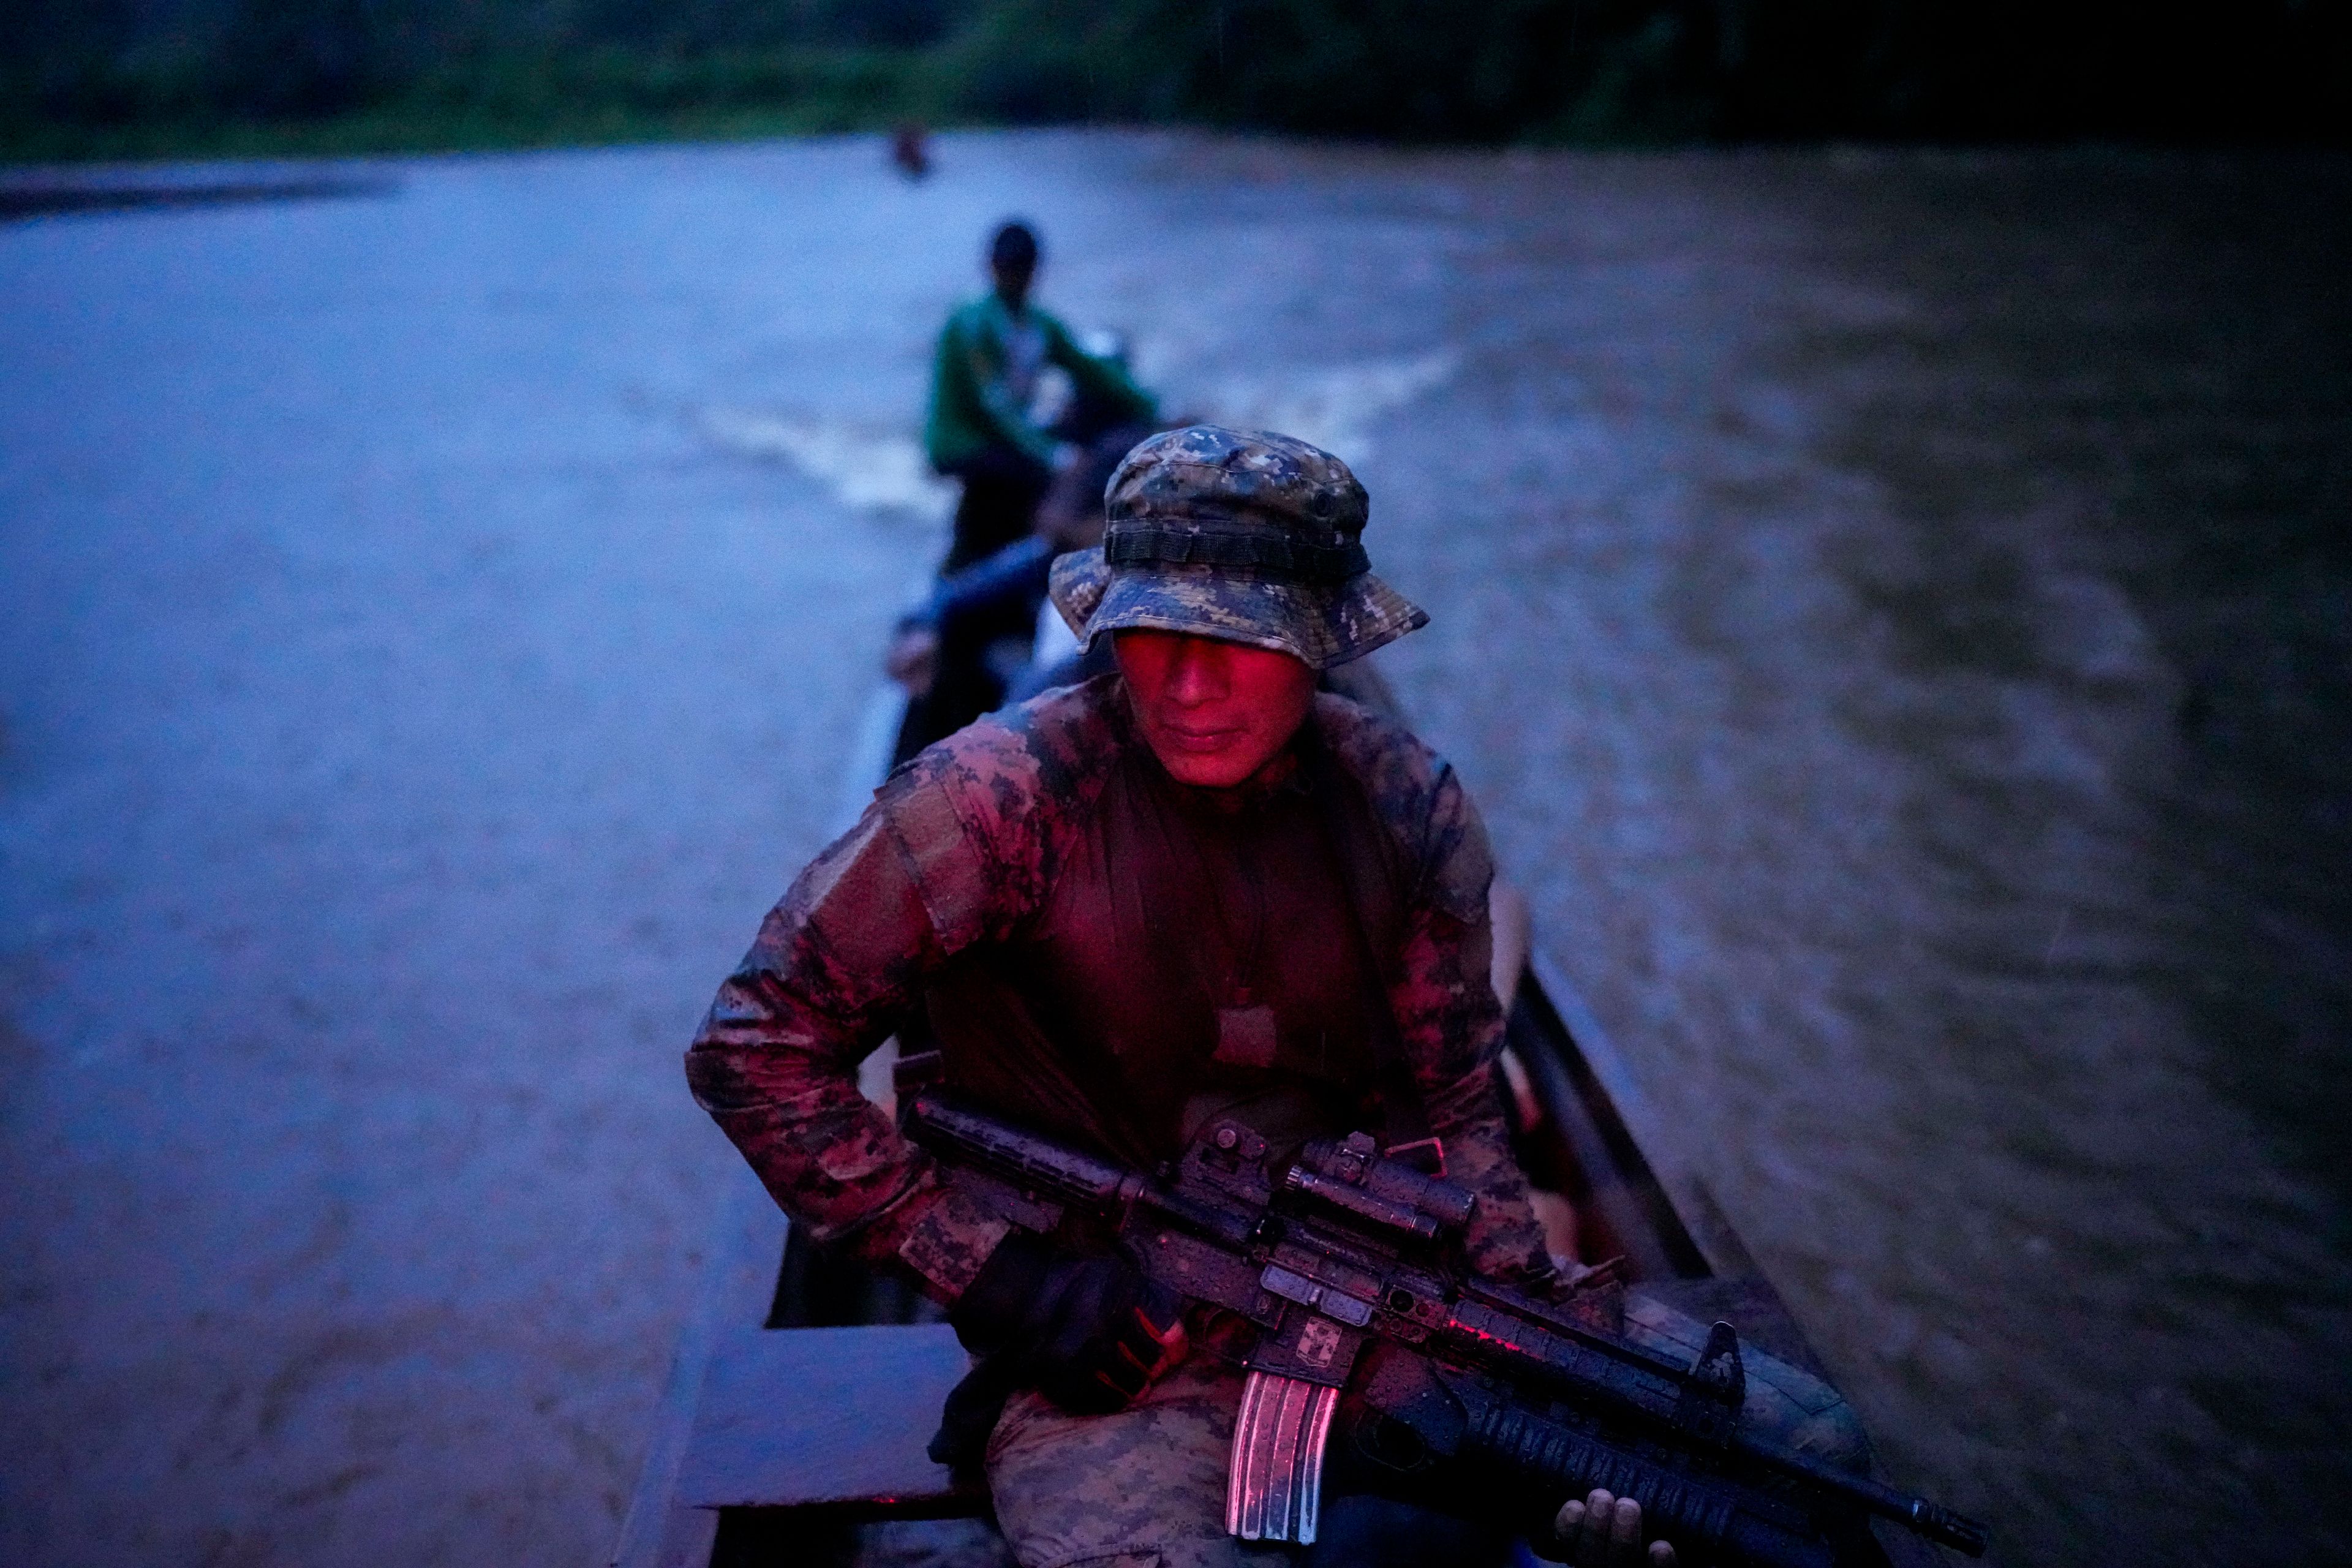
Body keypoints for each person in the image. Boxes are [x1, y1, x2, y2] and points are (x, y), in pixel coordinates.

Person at [687, 426, 1861, 1568]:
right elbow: (755, 1047)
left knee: (1808, 1451)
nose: (1191, 687)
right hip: (1119, 1342)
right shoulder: (995, 802)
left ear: (1320, 643)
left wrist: (1535, 1363)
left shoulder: (1406, 803)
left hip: (1392, 1299)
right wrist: (1002, 1278)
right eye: (1157, 638)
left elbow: (1457, 1111)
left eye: (1241, 645)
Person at [900, 222, 1159, 760]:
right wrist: (1054, 458)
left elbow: (1092, 372)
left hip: (1020, 458)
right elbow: (995, 407)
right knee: (1008, 531)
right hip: (966, 447)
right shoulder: (973, 325)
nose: (1017, 278)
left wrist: (1154, 410)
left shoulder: (1039, 326)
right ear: (995, 269)